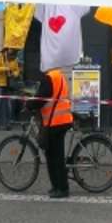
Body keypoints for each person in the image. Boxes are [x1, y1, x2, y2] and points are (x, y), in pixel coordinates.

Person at [30, 67, 74, 199]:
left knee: (55, 157)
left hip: (56, 121)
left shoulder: (49, 77)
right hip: (61, 120)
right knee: (53, 155)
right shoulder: (58, 75)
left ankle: (62, 188)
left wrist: (28, 105)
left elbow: (41, 98)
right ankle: (56, 186)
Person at [0, 48, 20, 131]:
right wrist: (6, 69)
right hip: (1, 84)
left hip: (9, 85)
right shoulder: (0, 56)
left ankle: (8, 124)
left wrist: (14, 74)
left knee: (9, 105)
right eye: (10, 49)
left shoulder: (14, 58)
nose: (12, 51)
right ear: (7, 49)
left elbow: (17, 70)